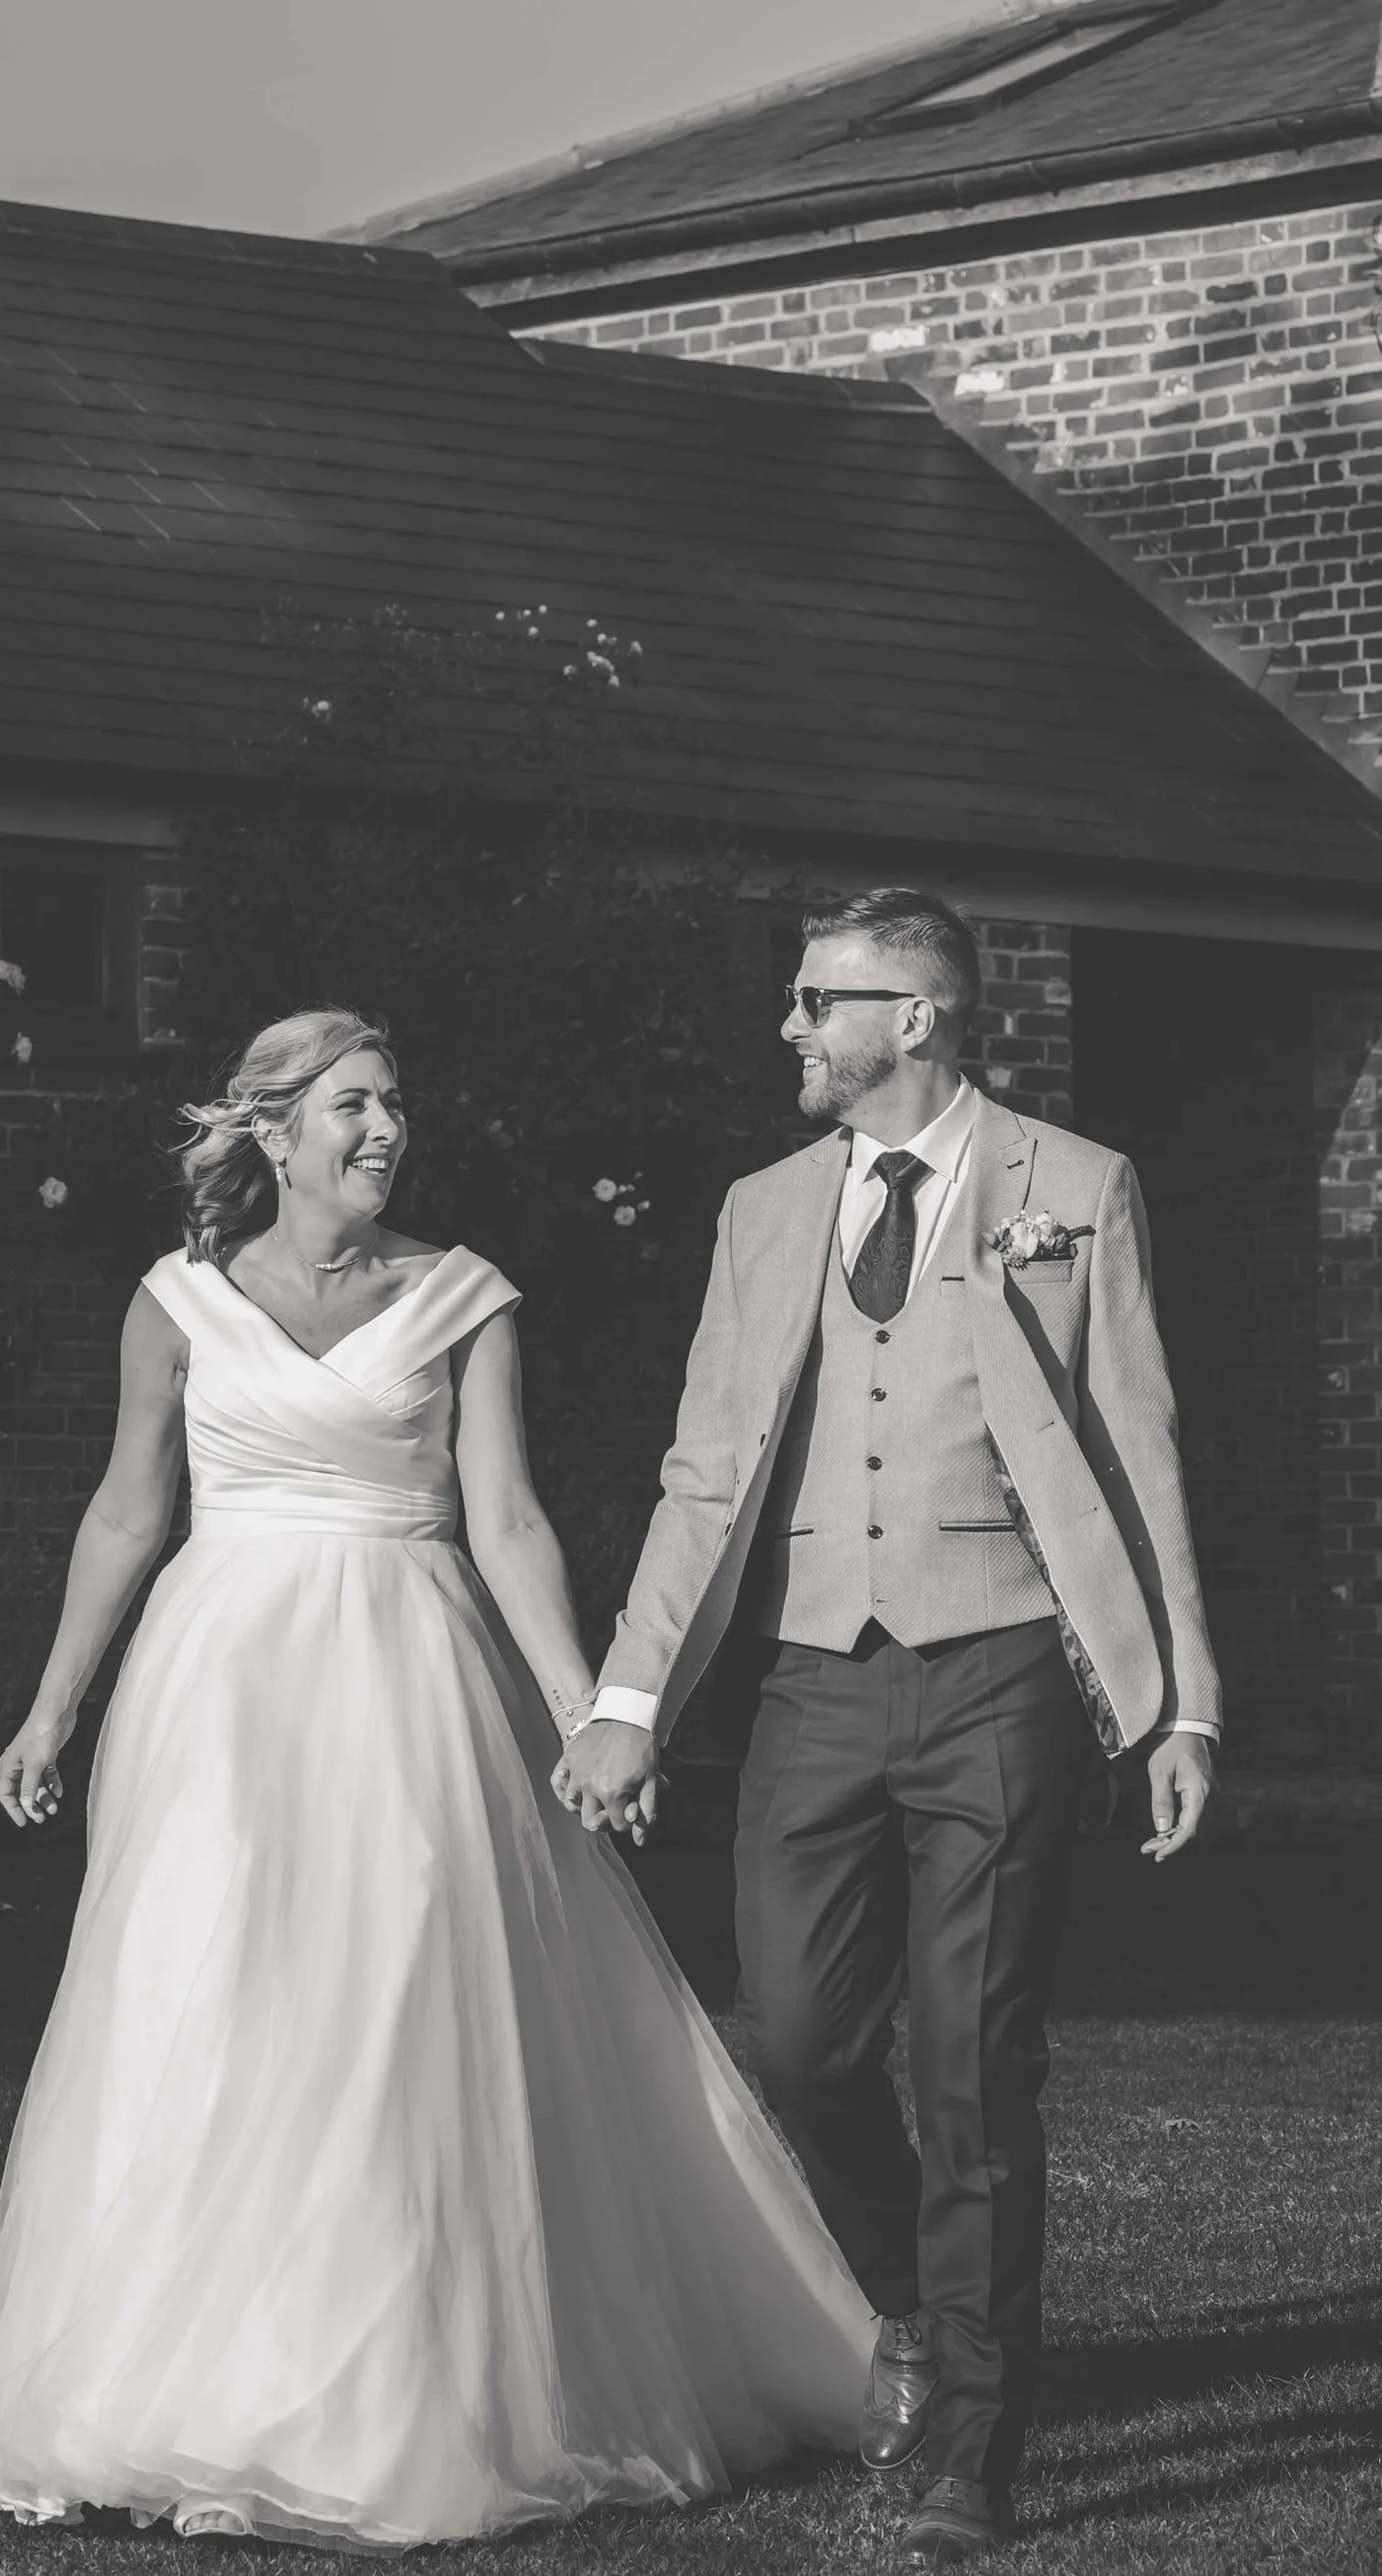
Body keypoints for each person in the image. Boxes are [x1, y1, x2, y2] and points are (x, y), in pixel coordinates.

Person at [0, 1006, 877, 2546]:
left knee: (395, 2001)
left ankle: (404, 2389)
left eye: (394, 1105)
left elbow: (505, 1522)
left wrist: (592, 1708)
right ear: (272, 1125)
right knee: (210, 1995)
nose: (386, 1129)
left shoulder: (463, 1297)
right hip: (222, 1687)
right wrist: (51, 1707)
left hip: (411, 1677)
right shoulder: (174, 1301)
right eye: (354, 1104)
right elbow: (126, 1512)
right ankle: (176, 2385)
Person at [556, 890, 1220, 2561]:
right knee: (794, 2037)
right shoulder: (763, 1207)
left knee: (974, 2061)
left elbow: (1142, 1450)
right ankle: (921, 2303)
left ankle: (973, 2444)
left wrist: (1179, 1703)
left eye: (816, 998)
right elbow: (706, 1466)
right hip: (809, 1677)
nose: (790, 1025)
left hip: (999, 1667)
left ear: (916, 1013)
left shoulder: (1074, 1187)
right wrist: (630, 1691)